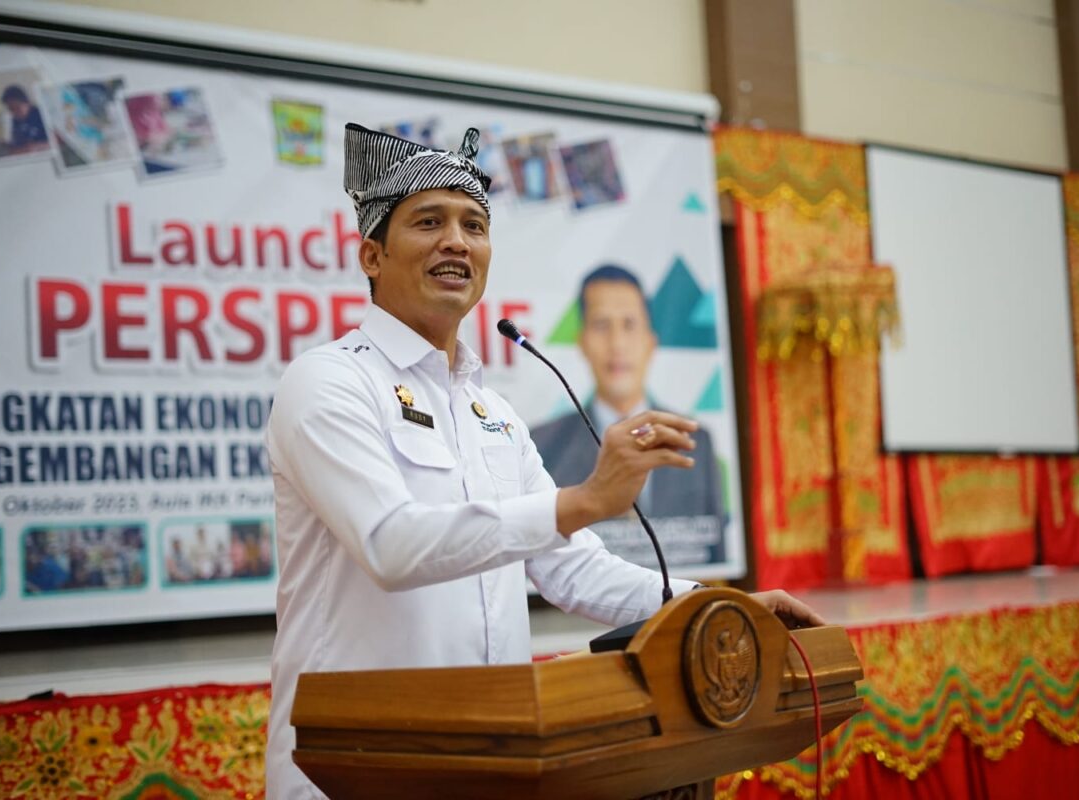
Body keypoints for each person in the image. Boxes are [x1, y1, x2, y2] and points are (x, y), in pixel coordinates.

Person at [264, 123, 823, 799]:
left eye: (474, 225)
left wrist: (717, 609)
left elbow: (572, 568)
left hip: (489, 759)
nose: (457, 241)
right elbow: (390, 545)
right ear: (372, 255)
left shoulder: (492, 412)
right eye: (430, 221)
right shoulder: (329, 381)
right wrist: (583, 500)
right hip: (349, 772)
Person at [532, 265, 724, 532]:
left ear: (651, 342)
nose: (617, 344)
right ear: (582, 342)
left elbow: (714, 543)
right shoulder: (543, 445)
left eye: (629, 325)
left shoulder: (694, 441)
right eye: (602, 325)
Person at [0, 85, 48, 155]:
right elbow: (16, 146)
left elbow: (58, 140)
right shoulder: (15, 121)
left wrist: (38, 147)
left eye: (17, 107)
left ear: (26, 102)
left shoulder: (42, 114)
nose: (14, 112)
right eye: (11, 109)